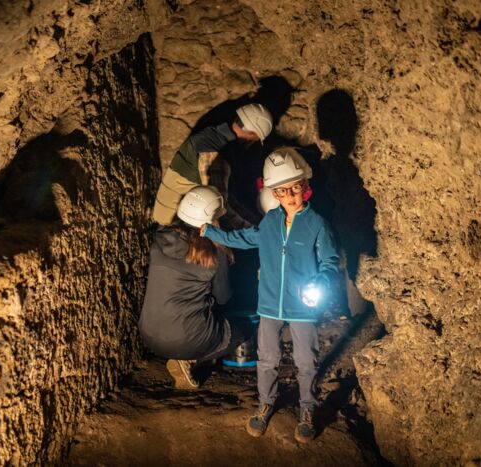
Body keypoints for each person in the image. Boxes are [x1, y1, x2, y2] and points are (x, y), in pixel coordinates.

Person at [200, 148, 339, 443]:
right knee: (267, 358)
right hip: (269, 304)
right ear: (274, 193)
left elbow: (329, 262)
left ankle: (307, 410)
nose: (290, 195)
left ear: (305, 185)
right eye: (282, 190)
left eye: (294, 187)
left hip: (302, 306)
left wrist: (320, 280)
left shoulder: (318, 225)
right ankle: (265, 404)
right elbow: (242, 238)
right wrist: (211, 233)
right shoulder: (270, 223)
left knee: (306, 360)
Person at [139, 186, 249, 389]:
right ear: (212, 219)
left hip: (148, 336)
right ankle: (191, 359)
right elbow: (223, 297)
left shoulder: (160, 238)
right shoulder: (214, 252)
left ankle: (184, 352)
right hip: (187, 339)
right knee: (242, 332)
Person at [152, 103, 273, 227]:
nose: (252, 143)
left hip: (173, 217)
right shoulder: (215, 152)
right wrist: (257, 229)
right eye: (255, 139)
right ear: (252, 134)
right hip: (174, 223)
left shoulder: (212, 134)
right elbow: (220, 207)